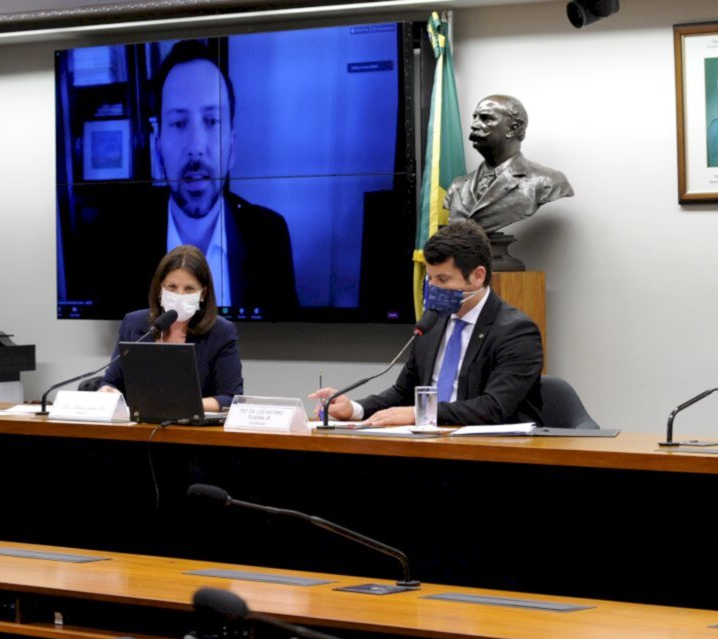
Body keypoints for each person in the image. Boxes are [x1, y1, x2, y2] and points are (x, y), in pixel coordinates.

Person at [310, 220, 543, 426]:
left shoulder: (516, 332)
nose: (433, 287)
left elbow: (494, 407)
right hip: (429, 447)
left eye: (443, 279)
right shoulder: (432, 323)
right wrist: (355, 409)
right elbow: (403, 393)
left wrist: (420, 413)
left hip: (494, 457)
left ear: (478, 276)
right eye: (430, 278)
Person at [151, 39, 298, 314]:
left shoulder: (269, 235)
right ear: (158, 148)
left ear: (232, 147)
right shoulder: (117, 242)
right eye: (179, 123)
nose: (196, 146)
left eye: (211, 121)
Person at [101, 245, 243, 412]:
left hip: (193, 432)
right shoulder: (134, 323)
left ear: (203, 294)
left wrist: (179, 405)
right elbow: (111, 382)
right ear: (160, 289)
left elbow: (230, 398)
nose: (180, 295)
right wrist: (108, 393)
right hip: (137, 428)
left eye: (189, 288)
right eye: (172, 287)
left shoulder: (221, 332)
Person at [444, 95, 573, 233]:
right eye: (474, 117)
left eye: (486, 118)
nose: (474, 125)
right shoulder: (458, 185)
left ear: (513, 129)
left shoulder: (548, 181)